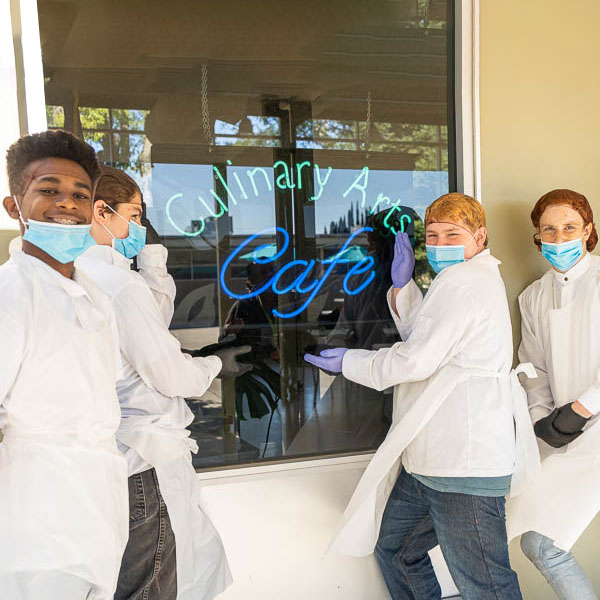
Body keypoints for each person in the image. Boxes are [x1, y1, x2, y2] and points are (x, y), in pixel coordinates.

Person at [305, 193, 539, 600]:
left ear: (479, 237)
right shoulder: (459, 281)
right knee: (397, 549)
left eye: (454, 234)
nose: (441, 244)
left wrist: (351, 362)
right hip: (431, 464)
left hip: (462, 468)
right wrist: (403, 285)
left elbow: (415, 360)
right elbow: (432, 339)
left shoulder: (466, 283)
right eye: (433, 235)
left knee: (487, 585)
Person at [77, 164, 249, 600]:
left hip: (111, 461)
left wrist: (149, 257)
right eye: (134, 215)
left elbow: (149, 328)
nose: (140, 226)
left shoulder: (81, 276)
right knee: (148, 587)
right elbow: (168, 372)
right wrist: (213, 366)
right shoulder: (117, 284)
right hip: (142, 464)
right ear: (102, 211)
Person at [0, 130, 128, 598]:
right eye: (48, 189)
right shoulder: (11, 293)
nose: (66, 204)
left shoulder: (93, 296)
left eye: (79, 194)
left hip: (97, 513)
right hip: (34, 525)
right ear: (15, 205)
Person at [507, 189, 600, 600]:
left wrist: (581, 409)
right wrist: (542, 423)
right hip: (564, 432)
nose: (559, 238)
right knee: (535, 540)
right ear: (537, 236)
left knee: (542, 542)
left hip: (589, 426)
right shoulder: (534, 296)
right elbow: (534, 369)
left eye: (569, 228)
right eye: (549, 229)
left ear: (588, 231)